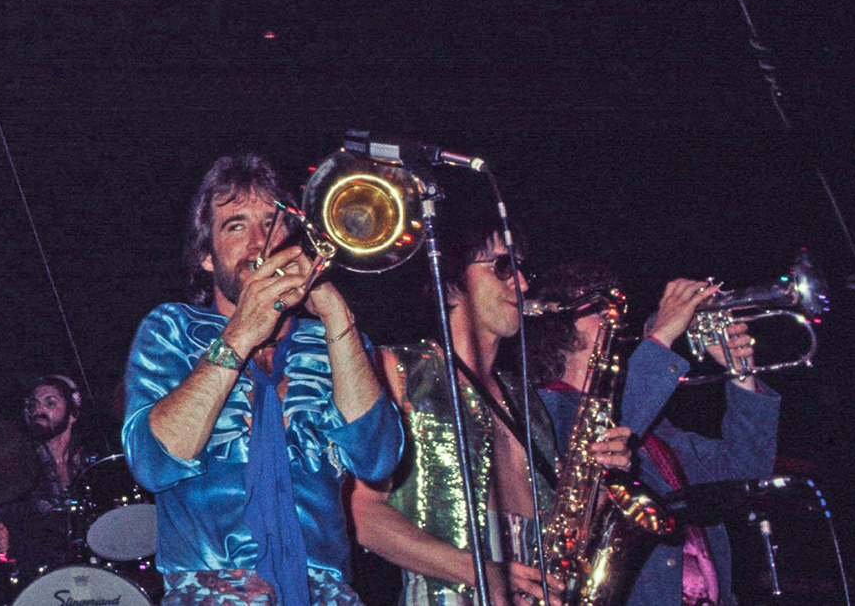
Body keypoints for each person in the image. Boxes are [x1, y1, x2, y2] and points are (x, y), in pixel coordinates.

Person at [121, 153, 403, 606]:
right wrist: (241, 334)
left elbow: (377, 459)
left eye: (273, 223)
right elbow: (153, 463)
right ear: (206, 256)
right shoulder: (170, 329)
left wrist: (336, 314)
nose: (258, 244)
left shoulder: (335, 339)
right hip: (211, 592)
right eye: (236, 226)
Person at [347, 225, 634, 606]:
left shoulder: (526, 401)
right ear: (450, 278)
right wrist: (480, 572)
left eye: (519, 268)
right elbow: (360, 516)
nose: (522, 284)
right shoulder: (397, 369)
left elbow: (561, 534)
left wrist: (597, 485)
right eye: (501, 266)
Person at [527, 263, 779, 606]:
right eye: (599, 307)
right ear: (555, 321)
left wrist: (740, 372)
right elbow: (595, 446)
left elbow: (748, 467)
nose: (614, 317)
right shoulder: (541, 410)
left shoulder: (657, 429)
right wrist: (661, 338)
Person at [0, 374, 95, 575]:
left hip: (95, 569)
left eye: (50, 403)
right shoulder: (16, 466)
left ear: (73, 414)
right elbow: (0, 525)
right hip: (40, 575)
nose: (39, 410)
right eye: (34, 405)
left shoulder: (93, 462)